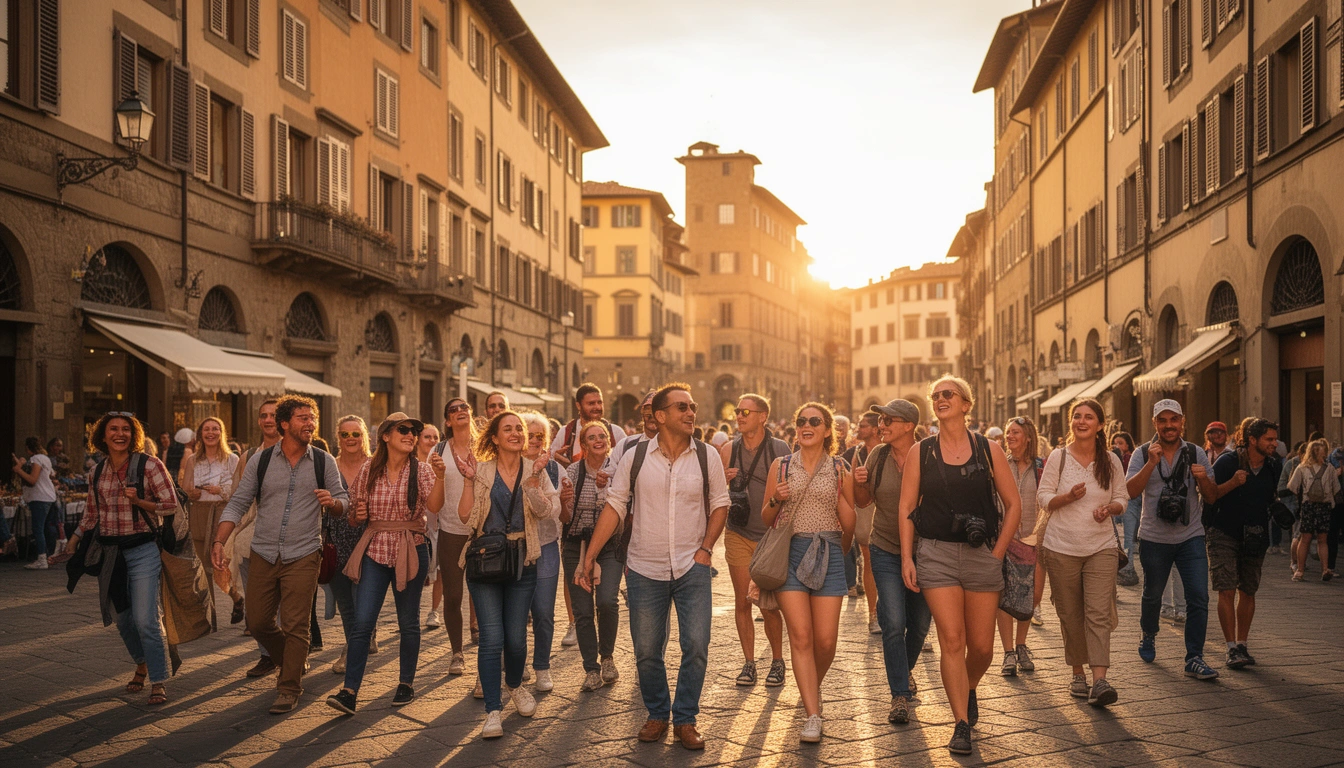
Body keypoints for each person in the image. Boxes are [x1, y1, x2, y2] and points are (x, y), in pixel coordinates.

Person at [577, 383, 730, 751]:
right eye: (682, 407)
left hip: (692, 566)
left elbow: (720, 504)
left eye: (692, 406)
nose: (691, 412)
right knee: (647, 649)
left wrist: (706, 549)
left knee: (696, 644)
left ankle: (687, 718)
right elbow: (615, 506)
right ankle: (659, 713)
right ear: (660, 416)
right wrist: (590, 556)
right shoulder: (636, 455)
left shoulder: (707, 455)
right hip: (644, 566)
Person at [898, 376, 1021, 756]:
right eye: (935, 396)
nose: (939, 400)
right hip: (935, 554)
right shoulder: (922, 451)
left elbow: (1014, 505)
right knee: (952, 640)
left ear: (967, 404)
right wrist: (907, 557)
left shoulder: (989, 450)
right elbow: (905, 508)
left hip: (982, 553)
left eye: (947, 394)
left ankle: (968, 687)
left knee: (982, 647)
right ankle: (960, 723)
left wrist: (997, 553)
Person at [213, 395, 348, 715]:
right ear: (285, 423)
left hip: (304, 553)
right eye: (303, 418)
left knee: (296, 624)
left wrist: (333, 502)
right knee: (258, 622)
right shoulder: (260, 461)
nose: (310, 424)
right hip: (262, 552)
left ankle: (288, 687)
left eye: (312, 418)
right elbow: (237, 502)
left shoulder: (322, 461)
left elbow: (344, 502)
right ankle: (291, 660)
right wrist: (219, 542)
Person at [327, 413, 445, 714]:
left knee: (408, 622)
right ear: (386, 436)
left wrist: (441, 477)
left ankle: (405, 683)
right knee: (363, 621)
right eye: (403, 430)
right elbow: (354, 516)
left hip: (411, 546)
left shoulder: (422, 469)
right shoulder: (369, 468)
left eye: (414, 431)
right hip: (375, 547)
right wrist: (359, 514)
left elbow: (434, 508)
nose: (411, 435)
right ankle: (349, 692)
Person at [63, 413, 178, 705]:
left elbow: (170, 504)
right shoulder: (96, 471)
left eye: (126, 429)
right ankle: (141, 661)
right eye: (113, 429)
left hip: (143, 550)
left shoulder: (150, 465)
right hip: (111, 553)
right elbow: (91, 513)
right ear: (103, 435)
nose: (120, 434)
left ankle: (157, 678)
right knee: (121, 618)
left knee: (145, 618)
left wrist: (139, 501)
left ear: (134, 434)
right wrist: (74, 539)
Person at [456, 410, 557, 739]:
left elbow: (544, 513)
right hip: (485, 561)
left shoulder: (534, 469)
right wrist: (469, 480)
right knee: (492, 638)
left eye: (520, 429)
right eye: (508, 429)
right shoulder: (482, 471)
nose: (515, 433)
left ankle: (514, 684)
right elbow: (465, 517)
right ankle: (493, 712)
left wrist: (532, 483)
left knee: (515, 640)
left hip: (522, 562)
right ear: (495, 438)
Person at [760, 402, 855, 744]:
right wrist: (775, 498)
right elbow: (766, 518)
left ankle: (810, 685)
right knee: (800, 637)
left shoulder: (840, 468)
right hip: (791, 552)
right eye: (801, 421)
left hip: (828, 550)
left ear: (828, 430)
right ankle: (813, 713)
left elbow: (850, 525)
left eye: (815, 421)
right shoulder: (781, 466)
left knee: (826, 641)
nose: (806, 425)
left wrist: (843, 499)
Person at [1036, 400, 1129, 707]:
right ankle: (1078, 672)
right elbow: (1043, 496)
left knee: (1099, 613)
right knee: (1070, 613)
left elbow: (1122, 498)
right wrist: (1067, 497)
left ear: (1100, 425)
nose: (1081, 421)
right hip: (1061, 546)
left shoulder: (1111, 460)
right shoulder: (1058, 456)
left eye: (1089, 417)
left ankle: (1100, 680)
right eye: (1077, 416)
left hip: (1101, 547)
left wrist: (1109, 509)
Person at [1126, 399, 1220, 681]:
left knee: (1199, 598)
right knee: (1152, 595)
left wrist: (1203, 480)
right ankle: (1149, 634)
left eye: (1174, 419)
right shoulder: (1142, 453)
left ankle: (1194, 657)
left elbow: (1212, 496)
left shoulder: (1196, 452)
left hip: (1190, 536)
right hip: (1154, 538)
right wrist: (1151, 463)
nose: (1169, 425)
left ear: (1183, 422)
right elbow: (1130, 491)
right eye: (1163, 420)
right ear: (1155, 423)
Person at [852, 398, 931, 725]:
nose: (881, 425)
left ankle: (904, 671)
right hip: (884, 546)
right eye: (881, 420)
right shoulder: (878, 455)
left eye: (888, 420)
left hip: (926, 552)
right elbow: (863, 500)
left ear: (909, 426)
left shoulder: (929, 455)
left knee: (921, 624)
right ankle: (899, 693)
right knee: (893, 621)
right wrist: (857, 484)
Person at [719, 393, 790, 688]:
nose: (740, 415)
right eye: (738, 411)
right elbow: (713, 494)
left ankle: (777, 661)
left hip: (769, 536)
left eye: (746, 411)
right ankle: (749, 662)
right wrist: (722, 479)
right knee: (742, 600)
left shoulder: (779, 448)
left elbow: (790, 488)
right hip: (738, 532)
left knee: (768, 603)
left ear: (763, 416)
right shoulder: (727, 449)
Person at [1205, 418, 1280, 670]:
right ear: (1252, 440)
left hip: (1255, 535)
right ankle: (1230, 648)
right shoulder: (1228, 462)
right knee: (1225, 589)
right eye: (1269, 439)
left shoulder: (1273, 466)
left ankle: (1242, 644)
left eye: (1274, 439)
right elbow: (1211, 495)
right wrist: (1234, 482)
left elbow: (1271, 498)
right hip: (1224, 533)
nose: (1274, 443)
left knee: (1248, 590)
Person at [560, 421, 623, 691]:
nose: (598, 440)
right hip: (576, 546)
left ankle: (607, 656)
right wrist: (564, 501)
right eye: (592, 437)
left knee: (607, 601)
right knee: (583, 609)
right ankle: (591, 669)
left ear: (608, 442)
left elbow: (625, 510)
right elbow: (564, 519)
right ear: (583, 445)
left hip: (610, 547)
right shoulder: (573, 472)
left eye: (602, 437)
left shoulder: (619, 471)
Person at [230, 400, 282, 674]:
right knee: (257, 604)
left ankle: (290, 658)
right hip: (253, 539)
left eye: (274, 415)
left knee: (288, 604)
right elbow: (238, 499)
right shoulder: (249, 456)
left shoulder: (299, 452)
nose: (268, 419)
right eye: (263, 415)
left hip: (289, 540)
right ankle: (267, 655)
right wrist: (225, 536)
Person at [997, 416, 1045, 677]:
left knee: (1031, 596)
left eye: (1015, 432)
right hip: (1004, 539)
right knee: (1004, 598)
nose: (1010, 436)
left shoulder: (1041, 467)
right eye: (1008, 433)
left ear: (1028, 437)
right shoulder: (999, 465)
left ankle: (1021, 644)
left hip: (1033, 541)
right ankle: (1008, 652)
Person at [433, 398, 477, 675]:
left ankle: (485, 646)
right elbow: (433, 503)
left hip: (482, 531)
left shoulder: (487, 447)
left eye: (465, 408)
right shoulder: (438, 452)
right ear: (447, 421)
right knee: (453, 596)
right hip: (450, 531)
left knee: (485, 594)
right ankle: (457, 653)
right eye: (454, 410)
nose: (461, 411)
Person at [180, 417, 240, 617]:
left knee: (221, 565)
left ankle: (237, 597)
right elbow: (185, 488)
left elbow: (239, 491)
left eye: (215, 429)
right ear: (200, 434)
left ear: (221, 433)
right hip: (198, 513)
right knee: (202, 567)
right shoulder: (193, 459)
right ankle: (209, 615)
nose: (211, 433)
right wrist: (191, 493)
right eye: (207, 429)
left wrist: (221, 490)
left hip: (223, 513)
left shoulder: (233, 460)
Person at [329, 415, 375, 675]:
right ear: (339, 438)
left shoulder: (374, 465)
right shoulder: (329, 466)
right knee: (345, 602)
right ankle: (355, 641)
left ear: (364, 436)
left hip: (368, 541)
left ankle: (352, 648)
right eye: (345, 435)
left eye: (355, 434)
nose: (350, 439)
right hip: (336, 541)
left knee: (363, 601)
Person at [521, 411, 563, 691]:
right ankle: (516, 663)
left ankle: (542, 667)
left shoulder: (549, 469)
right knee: (515, 612)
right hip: (514, 547)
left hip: (546, 545)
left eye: (540, 436)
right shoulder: (503, 465)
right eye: (530, 435)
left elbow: (555, 510)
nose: (536, 440)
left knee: (544, 612)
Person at [843, 412, 880, 629]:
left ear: (875, 429)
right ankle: (873, 614)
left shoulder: (888, 450)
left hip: (887, 512)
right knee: (868, 561)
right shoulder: (856, 452)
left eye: (863, 425)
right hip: (866, 512)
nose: (858, 428)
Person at [1287, 438, 1339, 583]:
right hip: (1324, 506)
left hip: (1308, 505)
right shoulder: (1329, 469)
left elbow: (1292, 486)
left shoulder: (1302, 468)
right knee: (1323, 540)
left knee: (1305, 539)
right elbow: (1336, 489)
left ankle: (1300, 570)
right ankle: (1325, 569)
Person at [552, 383, 627, 468]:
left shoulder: (616, 432)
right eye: (591, 404)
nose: (597, 407)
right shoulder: (565, 432)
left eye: (599, 402)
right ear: (578, 406)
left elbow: (628, 462)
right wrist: (557, 461)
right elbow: (552, 460)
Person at [15, 436, 59, 569]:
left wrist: (18, 469)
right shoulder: (45, 458)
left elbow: (32, 479)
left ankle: (41, 558)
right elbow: (51, 475)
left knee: (38, 529)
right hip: (49, 497)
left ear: (28, 449)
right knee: (46, 528)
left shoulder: (36, 459)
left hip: (39, 497)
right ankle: (48, 555)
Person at [418, 424, 446, 631]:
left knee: (441, 570)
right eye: (427, 436)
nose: (432, 441)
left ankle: (434, 611)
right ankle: (413, 609)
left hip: (439, 522)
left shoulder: (441, 463)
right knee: (417, 571)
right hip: (419, 526)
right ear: (418, 440)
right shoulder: (411, 464)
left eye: (435, 437)